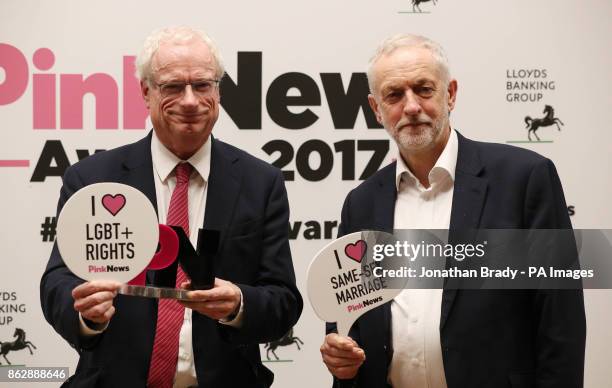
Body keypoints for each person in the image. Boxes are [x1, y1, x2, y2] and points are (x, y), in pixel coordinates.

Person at [40, 26, 302, 388]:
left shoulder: (262, 183)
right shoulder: (92, 180)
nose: (191, 100)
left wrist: (239, 304)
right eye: (173, 86)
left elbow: (283, 300)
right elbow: (57, 282)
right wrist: (86, 315)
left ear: (218, 91)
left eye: (203, 85)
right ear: (146, 92)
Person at [320, 34, 585, 388]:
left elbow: (560, 321)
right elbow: (348, 315)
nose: (411, 106)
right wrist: (341, 354)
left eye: (424, 89)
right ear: (376, 109)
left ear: (451, 94)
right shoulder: (361, 203)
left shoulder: (524, 180)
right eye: (395, 95)